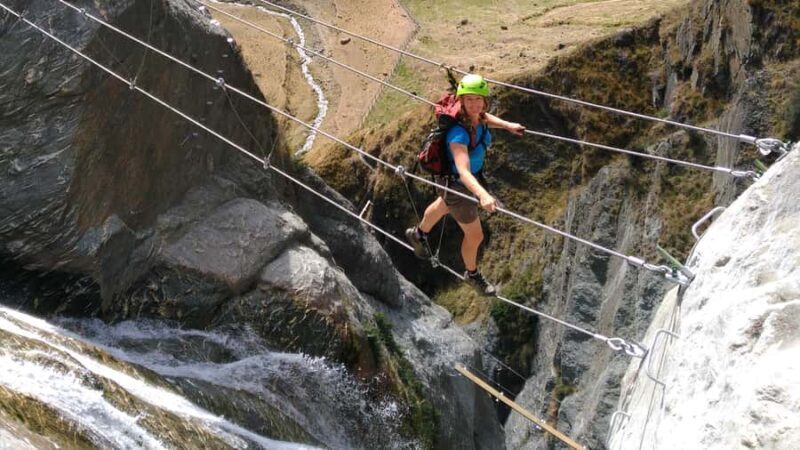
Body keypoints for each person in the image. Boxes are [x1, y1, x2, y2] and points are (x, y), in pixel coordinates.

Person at [405, 74, 525, 296]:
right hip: (458, 185)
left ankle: (418, 234)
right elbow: (463, 171)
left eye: (478, 99)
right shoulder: (458, 132)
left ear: (484, 101)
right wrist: (483, 195)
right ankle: (472, 273)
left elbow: (483, 117)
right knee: (475, 236)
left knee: (443, 205)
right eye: (468, 99)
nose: (474, 104)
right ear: (460, 100)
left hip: (452, 183)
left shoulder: (475, 116)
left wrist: (507, 125)